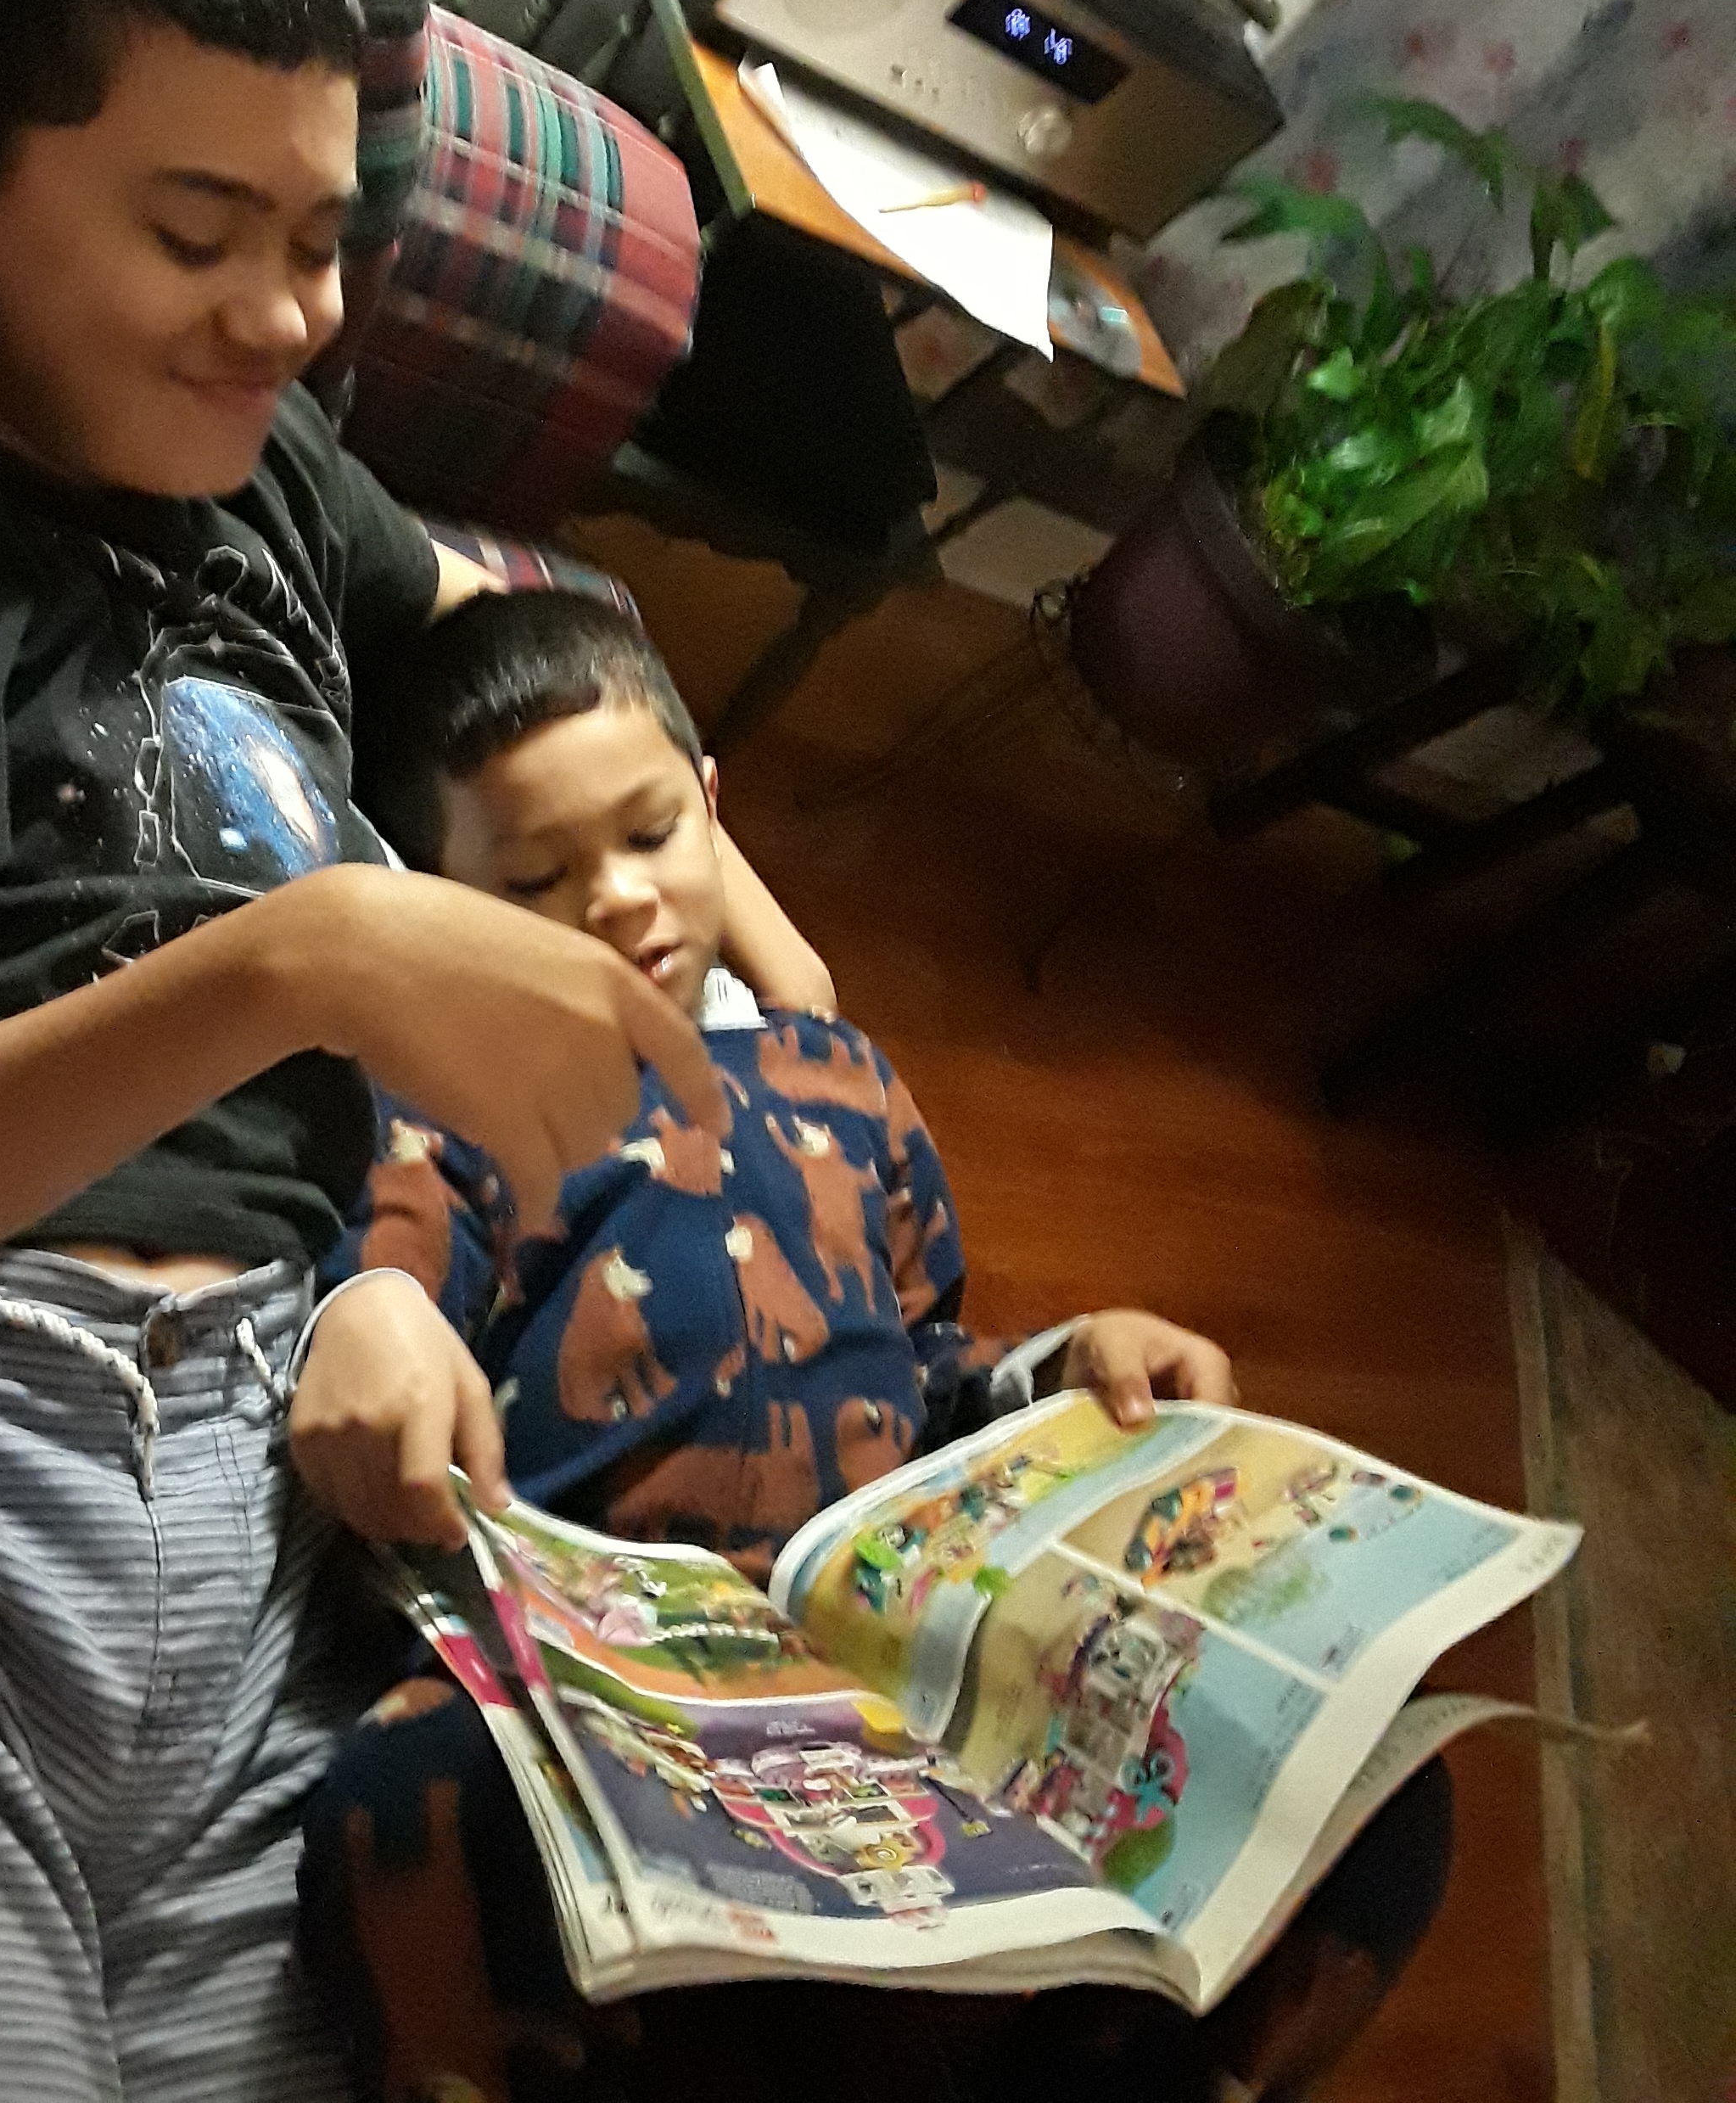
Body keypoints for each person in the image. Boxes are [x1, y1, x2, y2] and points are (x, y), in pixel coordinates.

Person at [0, 0, 841, 2103]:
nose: (284, 318)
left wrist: (746, 914)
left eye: (326, 242)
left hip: (291, 1492)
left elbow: (546, 654)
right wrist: (307, 958)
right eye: (197, 231)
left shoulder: (277, 476)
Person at [294, 592, 1452, 2103]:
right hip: (623, 1709)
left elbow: (930, 1361)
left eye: (652, 834)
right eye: (536, 880)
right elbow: (384, 1286)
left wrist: (1067, 1367)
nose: (623, 901)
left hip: (904, 1683)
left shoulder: (840, 1075)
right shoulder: (449, 1102)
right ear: (444, 902)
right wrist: (368, 1311)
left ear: (714, 808)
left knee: (1381, 1788)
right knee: (401, 1802)